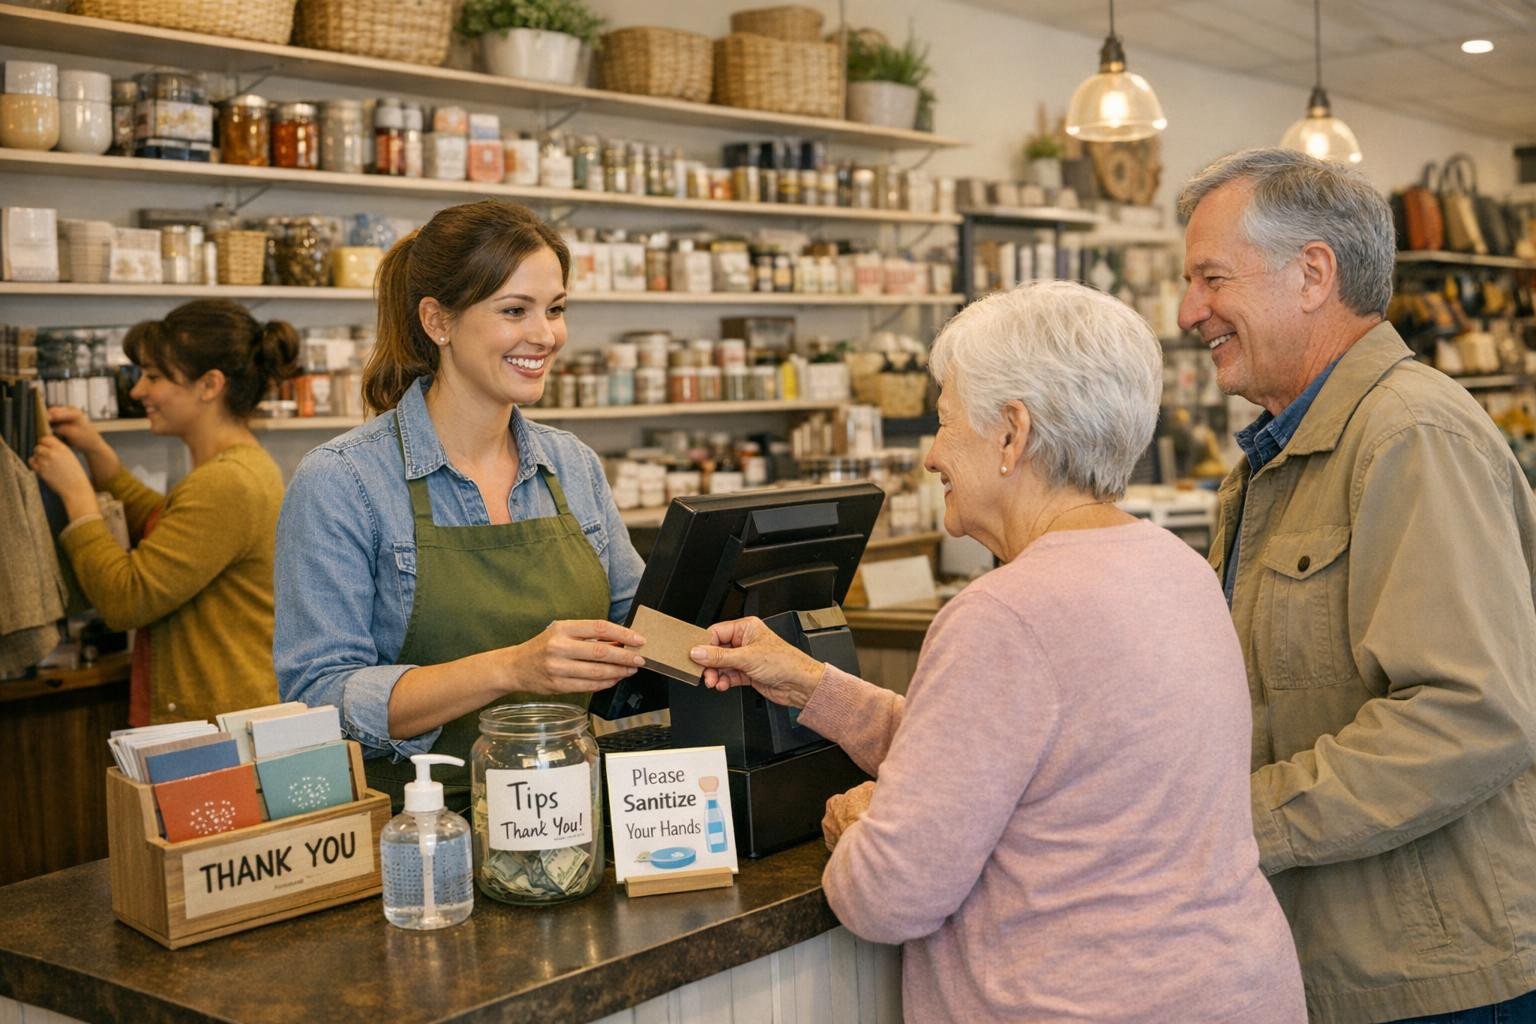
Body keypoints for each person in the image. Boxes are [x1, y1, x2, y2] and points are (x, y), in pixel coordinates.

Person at [689, 280, 1306, 1023]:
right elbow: (1014, 756)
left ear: (1012, 433)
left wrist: (861, 827)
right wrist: (811, 685)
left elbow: (888, 897)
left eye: (946, 422)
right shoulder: (1175, 567)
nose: (930, 455)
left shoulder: (1005, 614)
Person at [1177, 148, 1536, 1024]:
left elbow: (1470, 712)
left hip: (1434, 976)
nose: (1189, 312)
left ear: (1312, 274)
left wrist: (1239, 822)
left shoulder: (1410, 436)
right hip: (1336, 957)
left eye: (1210, 279)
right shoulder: (1274, 459)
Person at [274, 199, 646, 811]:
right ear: (438, 321)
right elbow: (320, 697)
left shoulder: (572, 465)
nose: (545, 335)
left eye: (555, 310)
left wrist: (731, 632)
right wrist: (511, 669)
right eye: (514, 310)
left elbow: (632, 617)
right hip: (417, 832)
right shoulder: (343, 481)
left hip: (570, 816)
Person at [28, 299, 299, 724]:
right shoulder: (235, 469)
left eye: (154, 376)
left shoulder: (226, 483)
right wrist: (99, 457)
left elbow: (126, 598)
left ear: (210, 385)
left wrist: (78, 497)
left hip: (217, 728)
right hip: (222, 715)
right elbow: (172, 528)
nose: (138, 391)